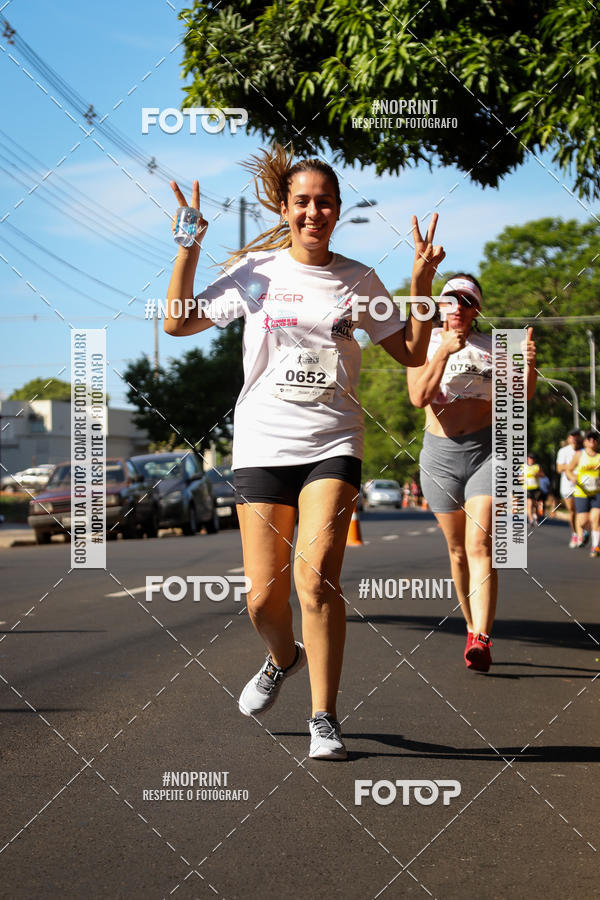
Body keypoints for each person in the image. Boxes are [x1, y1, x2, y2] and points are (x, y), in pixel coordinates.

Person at [164, 144, 444, 759]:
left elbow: (412, 353)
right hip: (263, 443)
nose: (313, 212)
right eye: (303, 202)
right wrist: (188, 246)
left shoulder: (360, 280)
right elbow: (179, 323)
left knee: (317, 580)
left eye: (325, 202)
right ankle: (281, 658)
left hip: (332, 441)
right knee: (263, 597)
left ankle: (324, 716)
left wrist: (420, 284)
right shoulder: (256, 272)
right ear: (285, 208)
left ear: (339, 211)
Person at [407, 275, 537, 672]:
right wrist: (444, 351)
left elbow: (519, 398)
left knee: (481, 543)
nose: (459, 307)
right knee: (458, 550)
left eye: (467, 301)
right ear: (441, 306)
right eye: (451, 300)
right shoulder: (423, 343)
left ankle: (482, 636)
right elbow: (418, 397)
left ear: (477, 309)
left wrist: (528, 366)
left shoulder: (497, 347)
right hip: (440, 457)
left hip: (488, 453)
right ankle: (469, 625)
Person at [566, 430, 600, 557]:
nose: (592, 441)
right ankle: (585, 532)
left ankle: (595, 547)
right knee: (583, 521)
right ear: (585, 442)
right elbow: (568, 470)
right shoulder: (579, 455)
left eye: (595, 439)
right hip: (581, 493)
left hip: (597, 492)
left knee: (596, 518)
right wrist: (572, 477)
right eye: (589, 439)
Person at [556, 430, 583, 547]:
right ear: (568, 438)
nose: (574, 439)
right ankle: (575, 533)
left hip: (582, 485)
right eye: (572, 436)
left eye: (576, 436)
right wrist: (573, 464)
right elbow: (559, 468)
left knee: (580, 511)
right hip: (567, 486)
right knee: (572, 510)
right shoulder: (563, 451)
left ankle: (581, 536)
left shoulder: (584, 451)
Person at [525, 452, 546, 526]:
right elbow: (518, 476)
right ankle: (531, 520)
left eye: (533, 458)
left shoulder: (537, 466)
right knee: (529, 504)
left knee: (536, 504)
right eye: (530, 458)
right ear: (527, 458)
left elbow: (543, 475)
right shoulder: (523, 467)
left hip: (536, 488)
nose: (531, 460)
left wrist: (537, 474)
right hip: (527, 488)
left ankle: (535, 516)